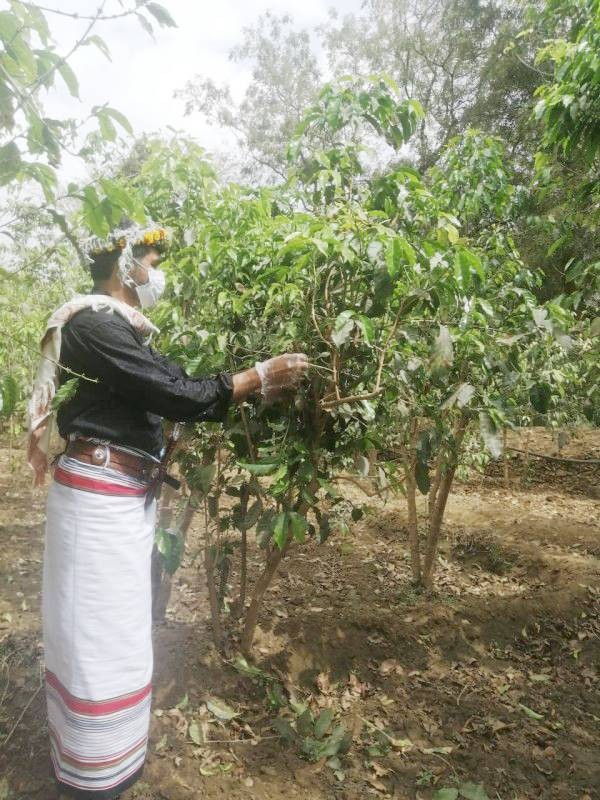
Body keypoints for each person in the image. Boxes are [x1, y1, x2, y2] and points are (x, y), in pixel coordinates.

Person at [27, 223, 308, 800]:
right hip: (98, 503)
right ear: (125, 265)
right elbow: (172, 392)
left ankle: (110, 761)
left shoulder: (122, 329)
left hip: (119, 498)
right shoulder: (92, 323)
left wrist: (240, 389)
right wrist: (254, 378)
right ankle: (89, 775)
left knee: (116, 632)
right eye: (152, 262)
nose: (157, 274)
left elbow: (169, 385)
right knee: (94, 634)